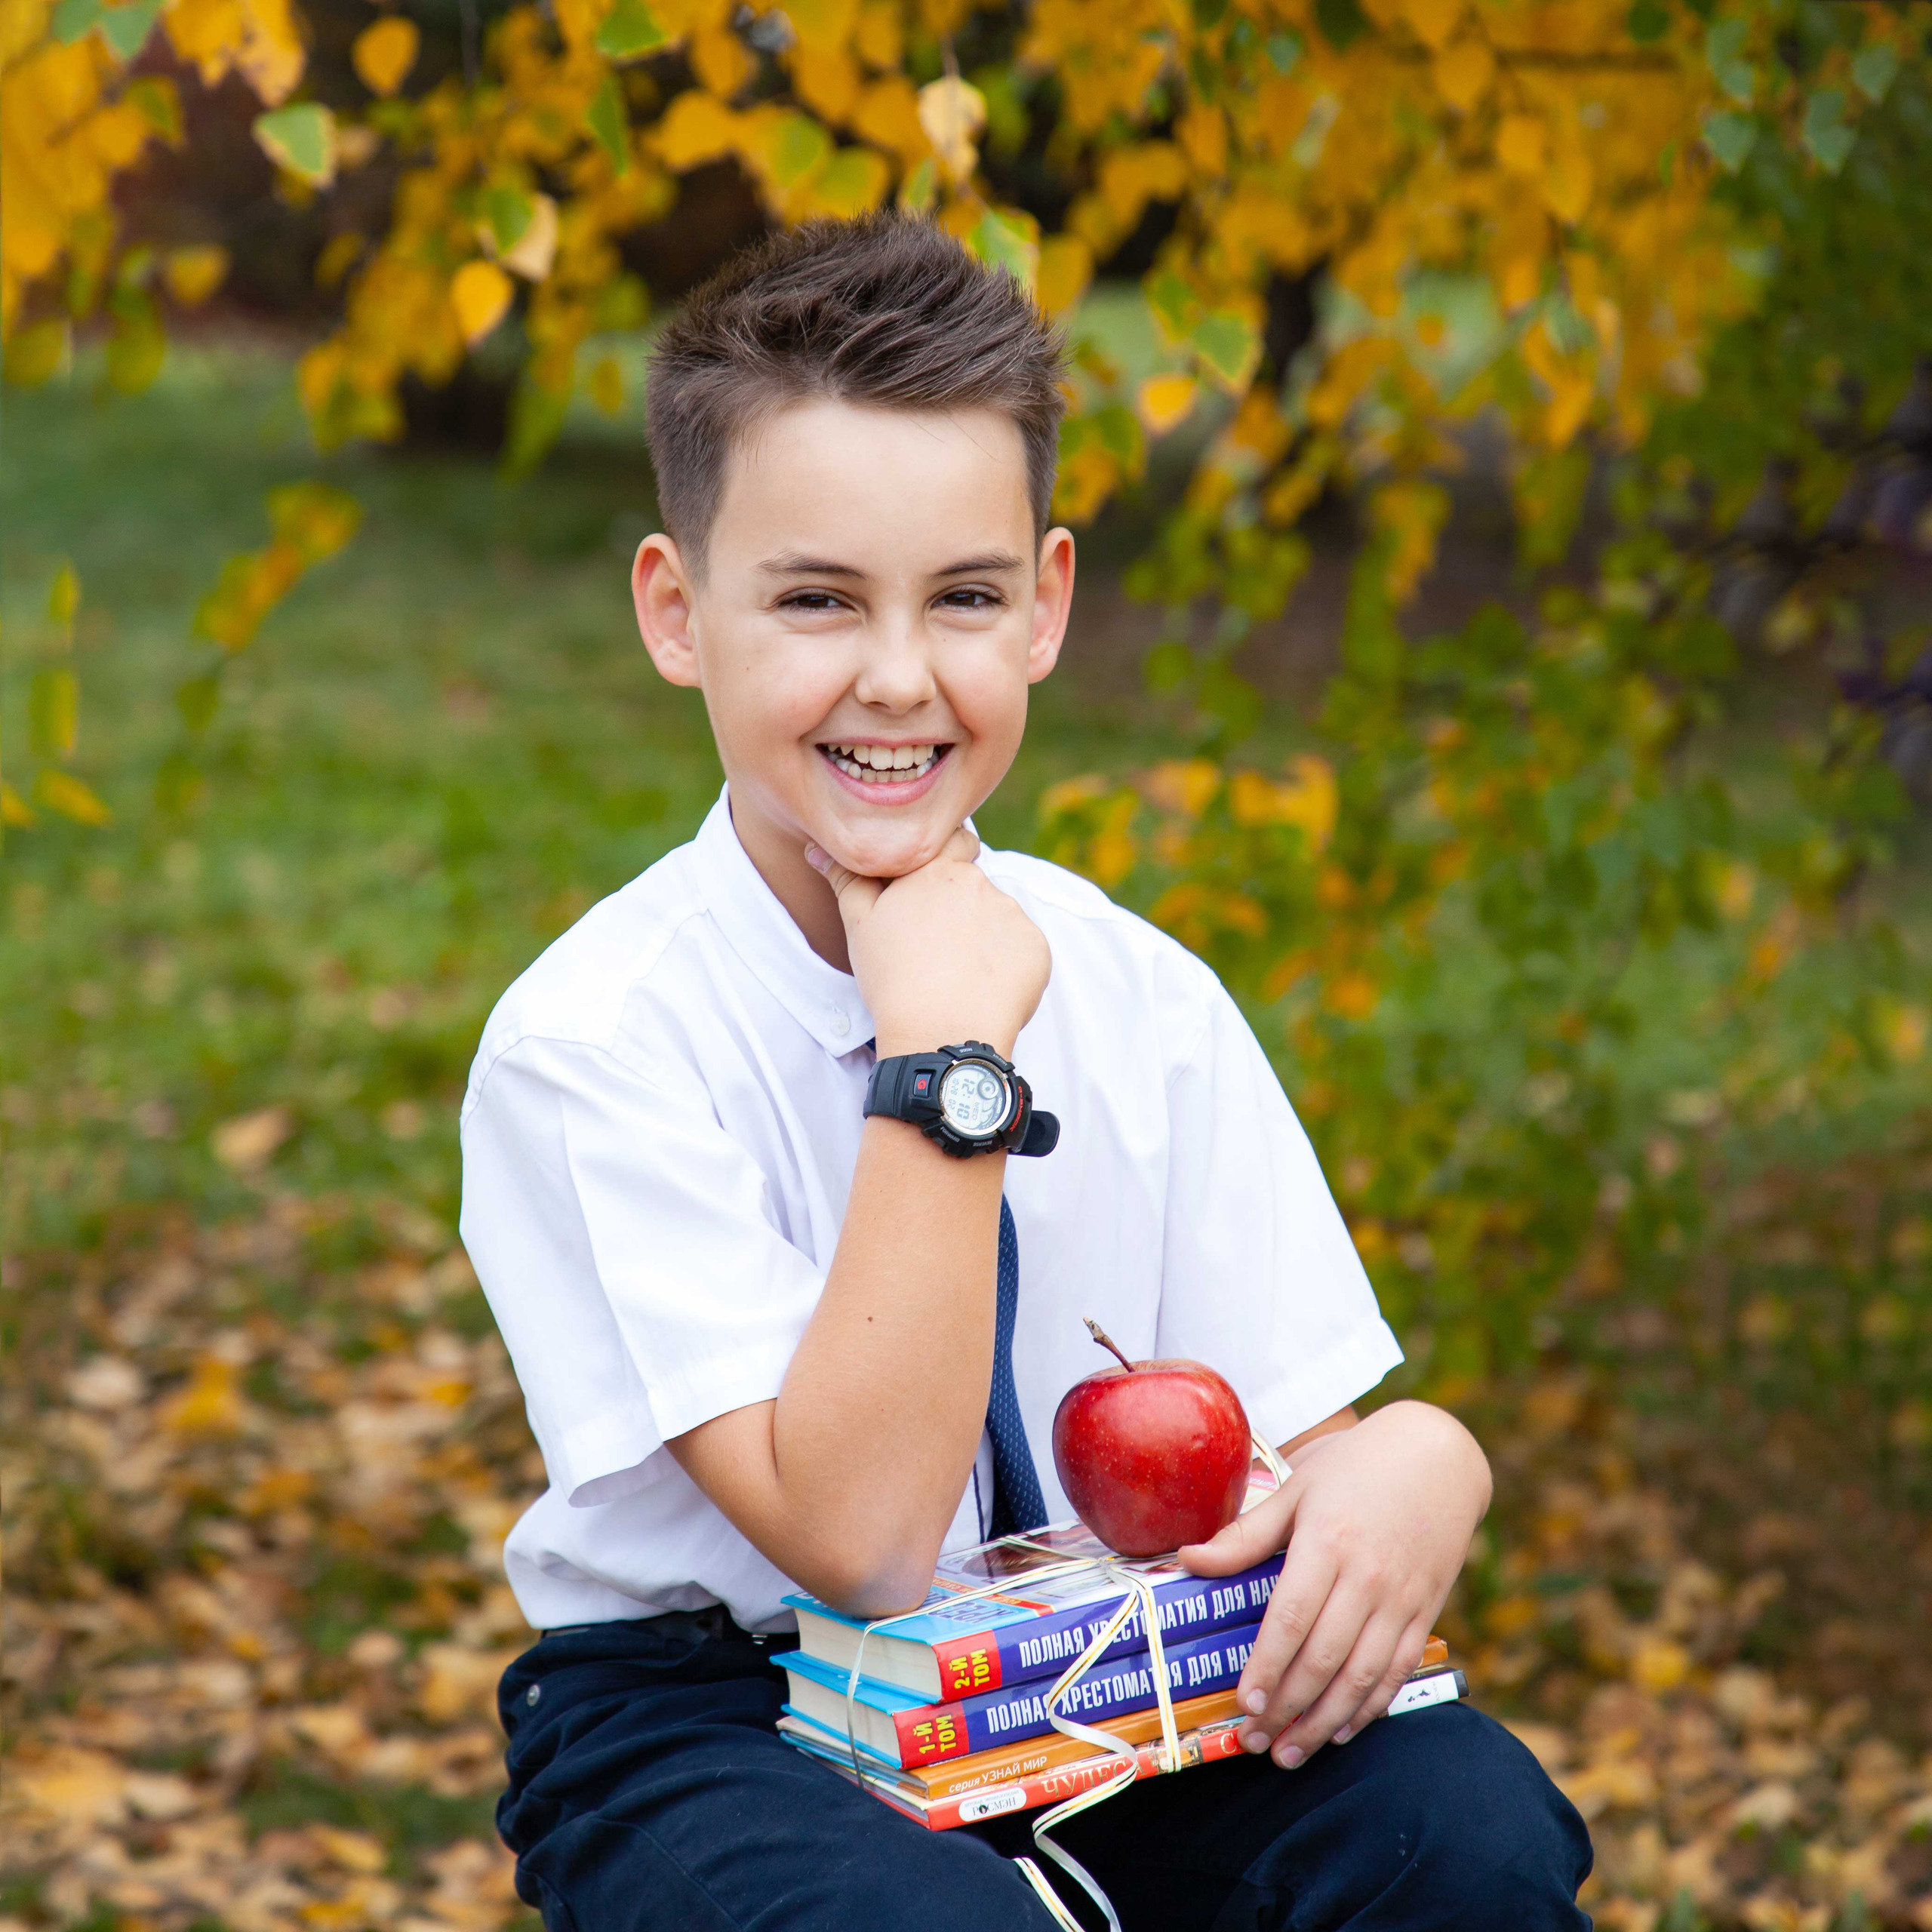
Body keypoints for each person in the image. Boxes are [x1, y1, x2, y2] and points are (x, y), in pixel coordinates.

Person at [459, 211, 1592, 1931]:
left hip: (1110, 1655)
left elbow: (1312, 1443)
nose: (897, 677)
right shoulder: (594, 1046)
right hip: (723, 1709)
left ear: (1046, 605)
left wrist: (1426, 1459)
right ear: (677, 612)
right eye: (817, 600)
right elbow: (859, 1540)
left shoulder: (1140, 989)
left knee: (1465, 1832)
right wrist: (945, 1063)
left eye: (965, 598)